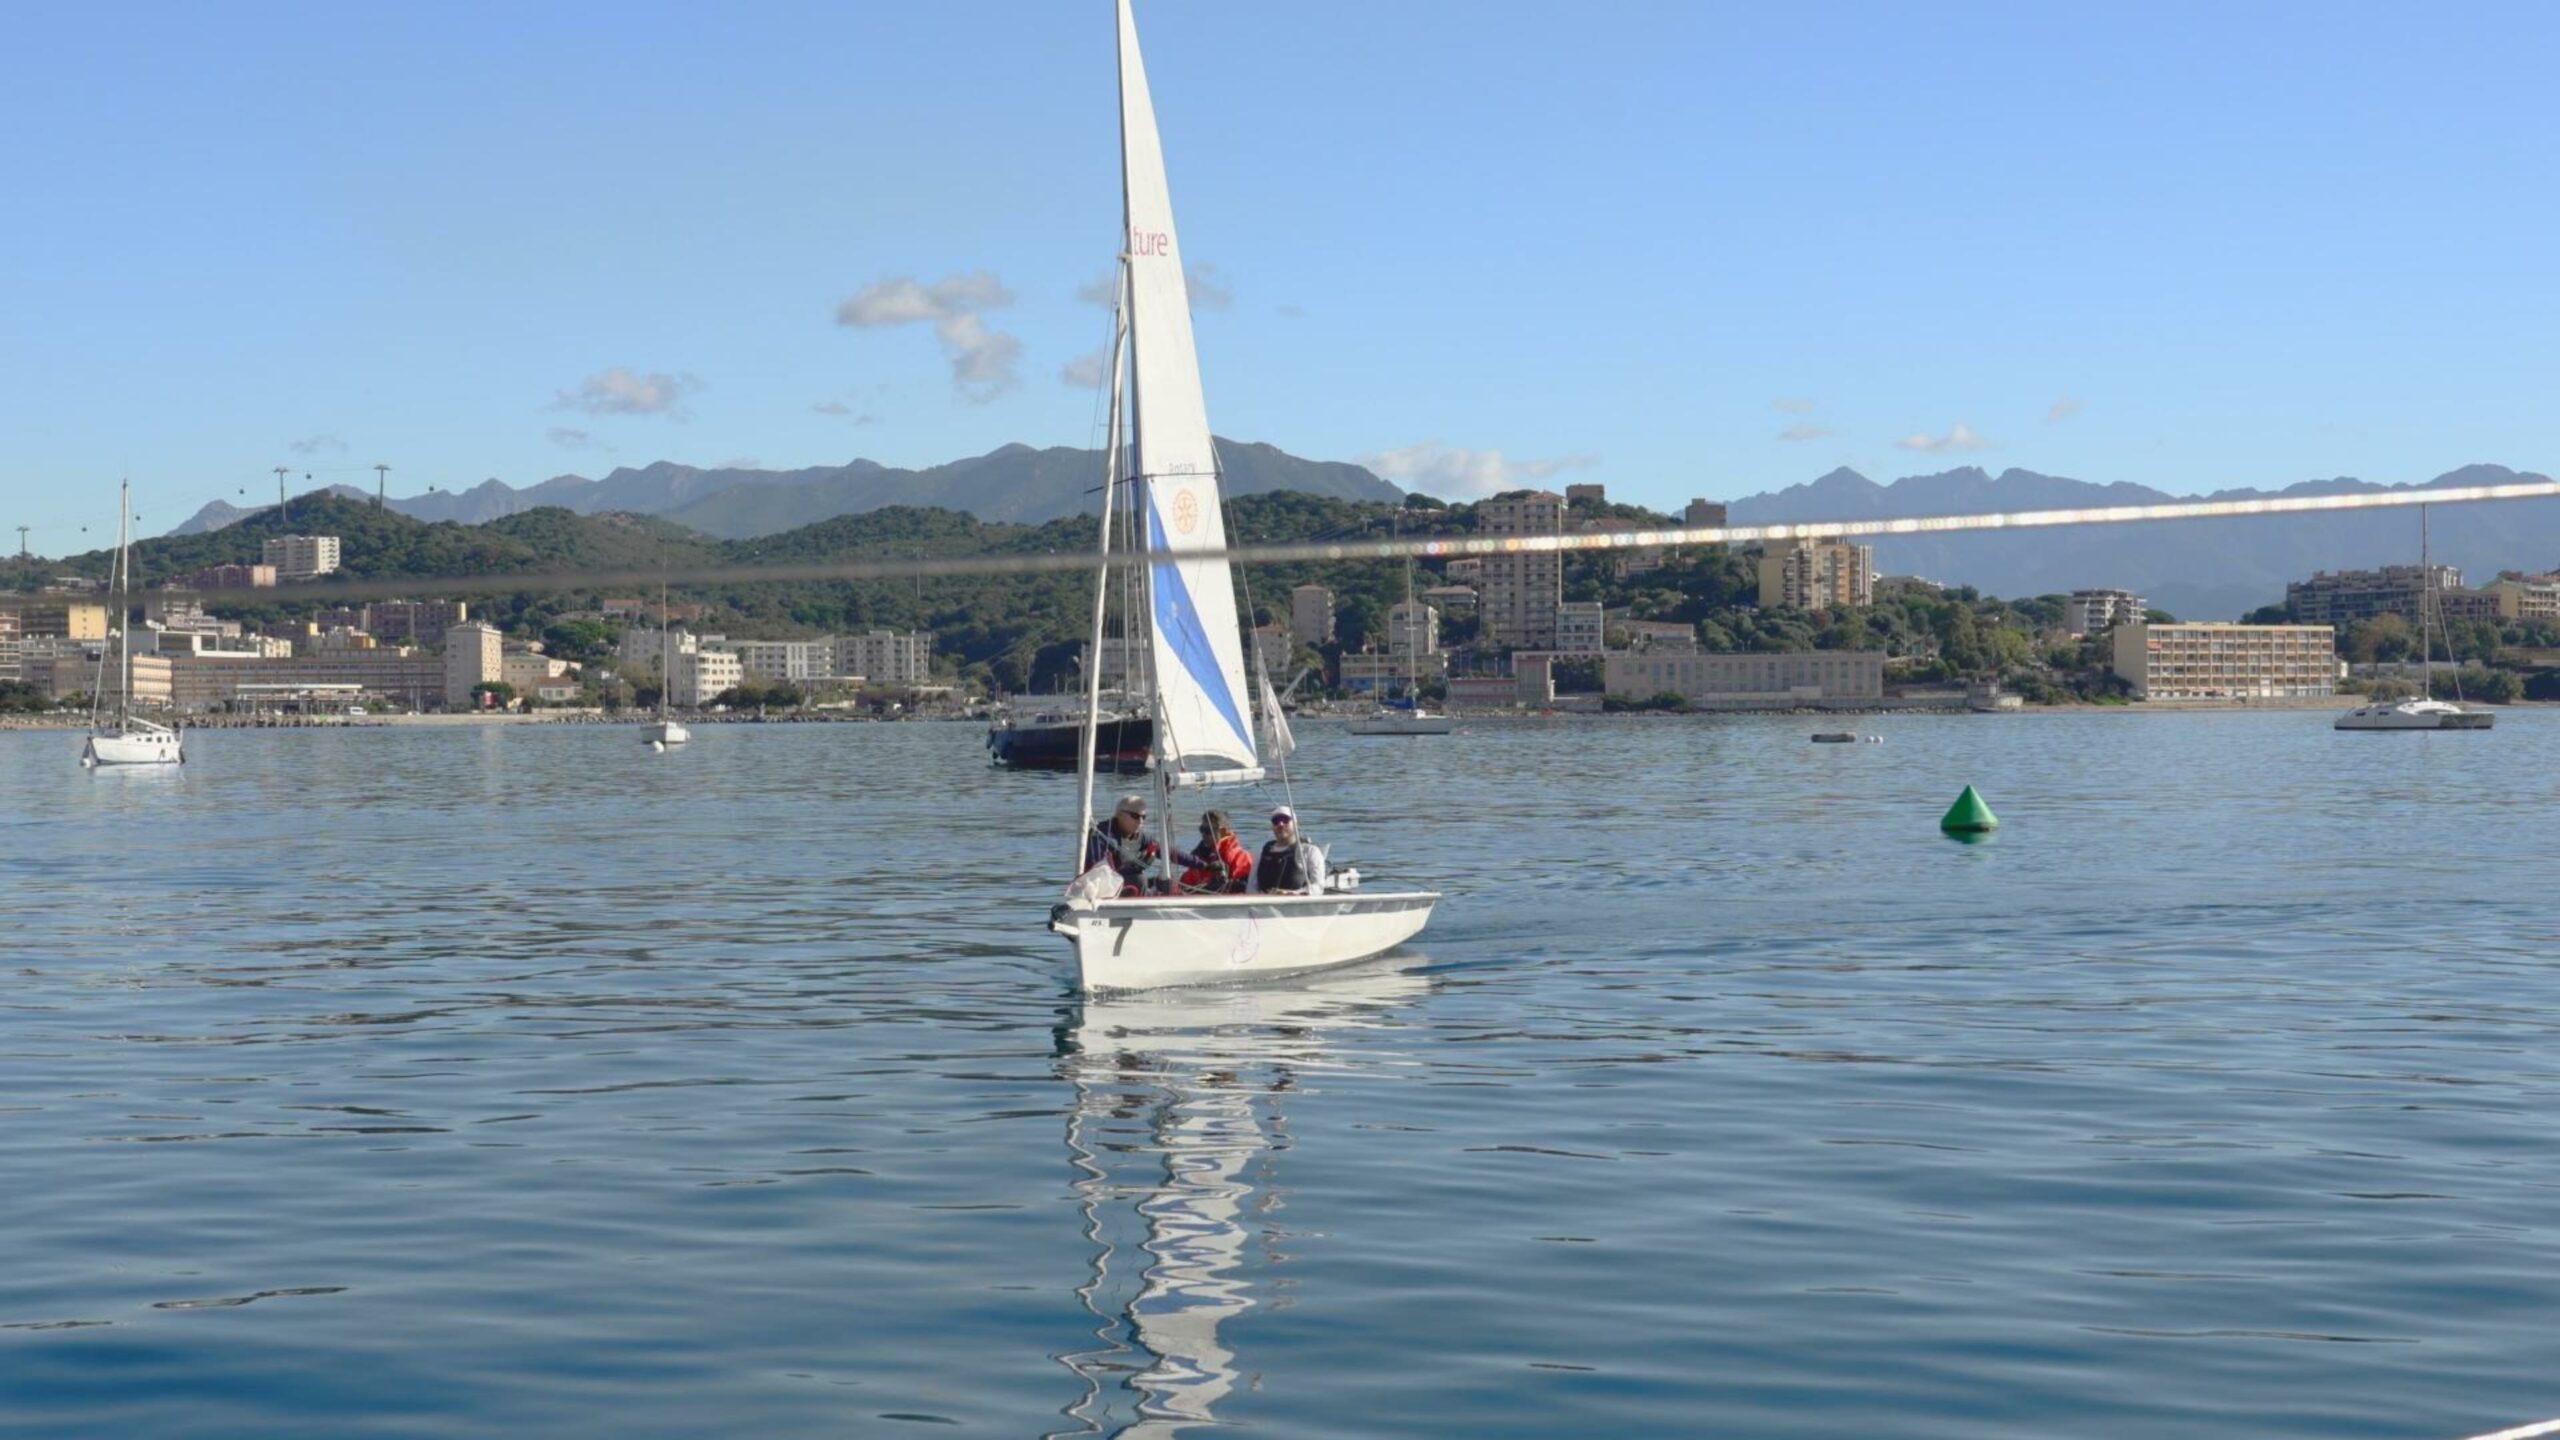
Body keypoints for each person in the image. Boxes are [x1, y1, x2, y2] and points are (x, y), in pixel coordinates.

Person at [1086, 794, 1161, 897]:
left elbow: (1166, 852)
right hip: (1101, 887)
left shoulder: (1139, 836)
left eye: (1143, 817)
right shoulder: (1102, 835)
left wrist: (1188, 862)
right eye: (1135, 816)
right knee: (1139, 879)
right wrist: (1134, 868)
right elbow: (1099, 871)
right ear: (1120, 815)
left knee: (1164, 881)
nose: (1140, 821)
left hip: (1123, 881)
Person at [1250, 807, 1327, 895]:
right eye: (1276, 821)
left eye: (1285, 820)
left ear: (1295, 824)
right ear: (1272, 827)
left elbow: (1318, 886)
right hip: (1264, 901)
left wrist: (1291, 893)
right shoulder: (1262, 853)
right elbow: (1251, 887)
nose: (1281, 824)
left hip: (1297, 901)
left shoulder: (1310, 851)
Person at [1173, 809, 1253, 894]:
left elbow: (1246, 887)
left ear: (1223, 832)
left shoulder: (1241, 857)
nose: (1204, 834)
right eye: (1202, 830)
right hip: (1198, 898)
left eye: (1208, 831)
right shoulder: (1199, 855)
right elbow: (1187, 882)